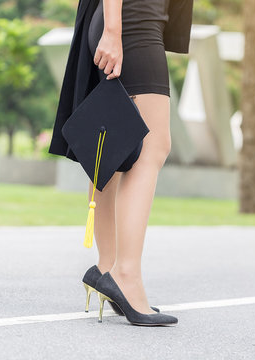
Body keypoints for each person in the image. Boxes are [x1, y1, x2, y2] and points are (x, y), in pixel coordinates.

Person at [48, 0, 194, 326]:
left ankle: (107, 266)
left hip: (129, 20)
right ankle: (125, 275)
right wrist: (113, 31)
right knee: (153, 146)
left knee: (115, 144)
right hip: (133, 20)